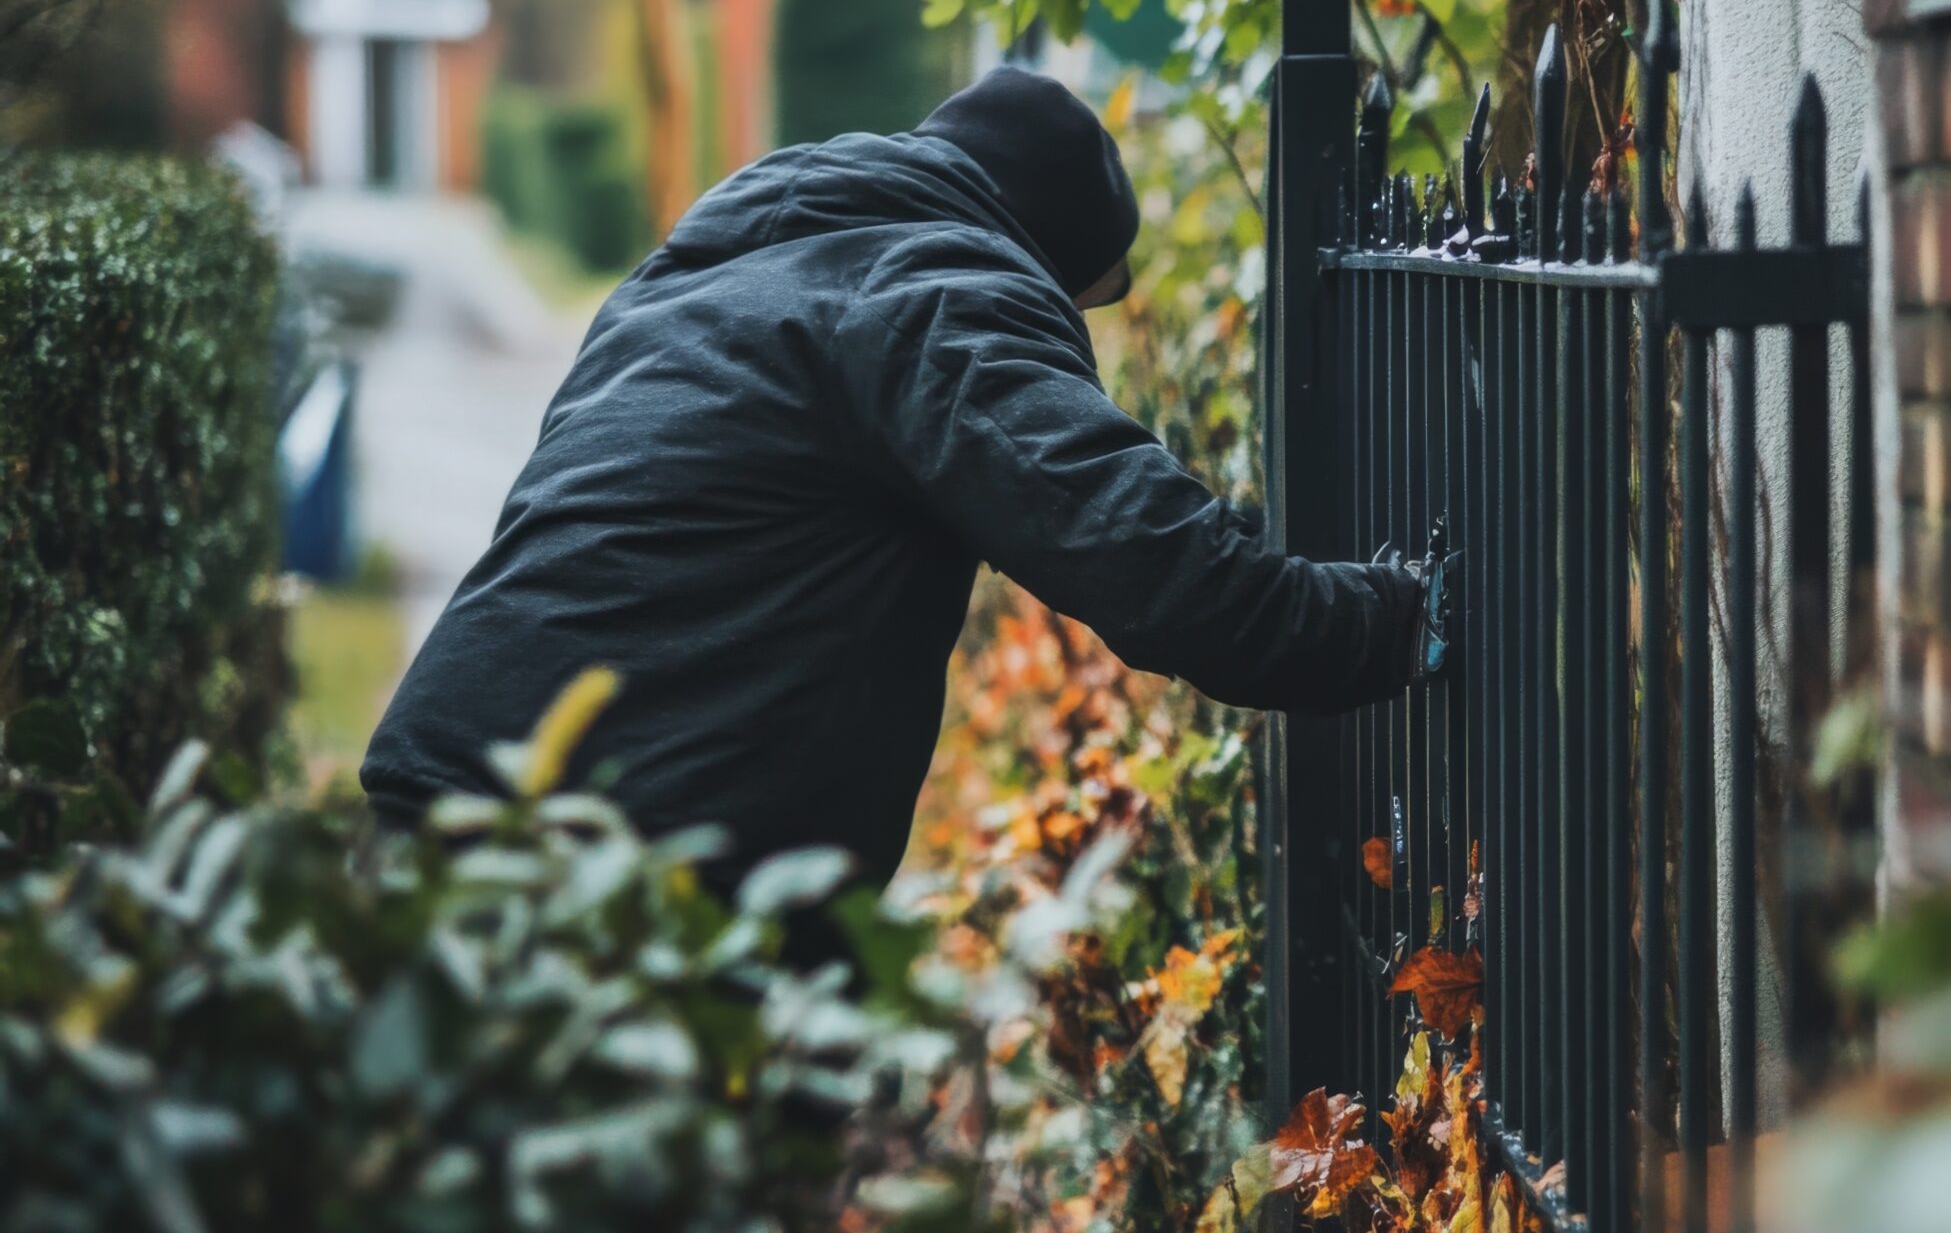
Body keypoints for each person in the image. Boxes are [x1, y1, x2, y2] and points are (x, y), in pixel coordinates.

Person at [361, 68, 1443, 956]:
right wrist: (1392, 620)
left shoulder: (696, 280)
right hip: (611, 872)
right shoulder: (939, 295)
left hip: (448, 798)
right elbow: (1146, 558)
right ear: (1039, 245)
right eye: (1081, 294)